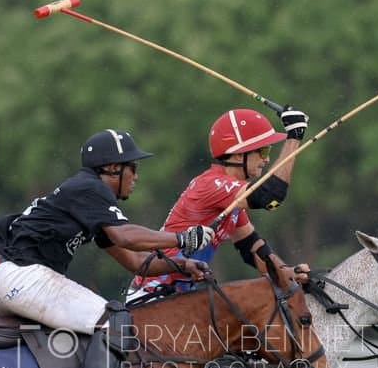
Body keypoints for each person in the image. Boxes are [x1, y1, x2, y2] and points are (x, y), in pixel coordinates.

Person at [0, 128, 212, 368]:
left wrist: (182, 264)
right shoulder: (89, 188)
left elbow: (135, 262)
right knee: (114, 319)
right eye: (133, 167)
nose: (137, 176)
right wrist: (183, 238)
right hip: (21, 277)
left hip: (2, 278)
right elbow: (126, 236)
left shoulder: (88, 202)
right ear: (111, 168)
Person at [129, 106, 311, 300]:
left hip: (180, 296)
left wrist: (285, 272)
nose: (266, 159)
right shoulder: (214, 185)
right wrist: (294, 138)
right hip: (152, 294)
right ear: (239, 154)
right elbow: (271, 196)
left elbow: (253, 247)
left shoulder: (231, 197)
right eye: (263, 151)